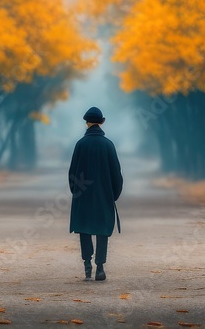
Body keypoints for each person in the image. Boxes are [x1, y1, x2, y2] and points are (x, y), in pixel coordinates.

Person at [68, 106, 123, 281]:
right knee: (102, 230)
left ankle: (86, 265)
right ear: (102, 122)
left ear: (86, 123)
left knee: (84, 230)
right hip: (103, 195)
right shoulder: (108, 145)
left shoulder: (80, 144)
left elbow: (72, 173)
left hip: (82, 196)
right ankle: (100, 267)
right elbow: (117, 175)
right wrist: (113, 195)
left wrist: (76, 192)